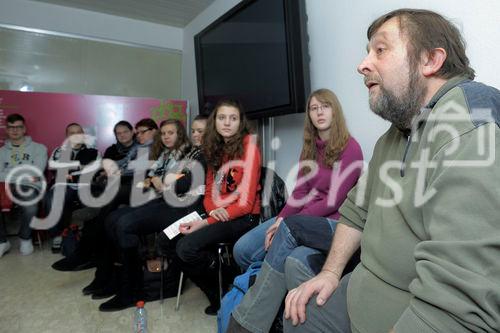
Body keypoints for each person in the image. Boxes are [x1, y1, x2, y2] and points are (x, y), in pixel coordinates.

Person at [282, 9, 500, 333]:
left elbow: (460, 304)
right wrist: (330, 273)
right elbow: (356, 211)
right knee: (298, 314)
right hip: (358, 292)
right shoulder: (396, 134)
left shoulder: (469, 127)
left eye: (380, 50)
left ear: (430, 60)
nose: (362, 64)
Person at [228, 89, 363, 333]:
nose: (319, 112)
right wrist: (280, 219)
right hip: (299, 218)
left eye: (325, 106)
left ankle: (265, 314)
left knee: (287, 250)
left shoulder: (351, 148)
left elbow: (333, 201)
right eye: (313, 108)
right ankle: (268, 295)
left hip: (327, 222)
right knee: (243, 249)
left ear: (335, 111)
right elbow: (300, 192)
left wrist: (290, 224)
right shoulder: (310, 148)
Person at [97, 119, 207, 312]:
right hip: (168, 200)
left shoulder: (201, 154)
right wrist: (163, 181)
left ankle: (132, 291)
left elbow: (181, 184)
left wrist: (162, 181)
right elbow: (160, 179)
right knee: (112, 219)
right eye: (194, 131)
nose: (196, 135)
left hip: (186, 209)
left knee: (124, 224)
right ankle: (123, 279)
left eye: (200, 131)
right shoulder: (189, 153)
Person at [173, 99, 262, 315]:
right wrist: (212, 211)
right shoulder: (214, 147)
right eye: (222, 118)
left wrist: (207, 220)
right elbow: (210, 188)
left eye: (233, 118)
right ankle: (220, 289)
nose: (227, 123)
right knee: (168, 239)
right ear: (215, 121)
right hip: (217, 212)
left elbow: (246, 204)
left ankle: (226, 283)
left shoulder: (249, 146)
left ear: (241, 122)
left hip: (243, 217)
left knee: (186, 248)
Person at [51, 120, 136, 271]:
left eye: (126, 131)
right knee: (95, 201)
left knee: (98, 206)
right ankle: (90, 255)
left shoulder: (142, 149)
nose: (122, 135)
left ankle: (83, 253)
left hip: (127, 188)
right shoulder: (112, 150)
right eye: (118, 133)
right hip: (105, 185)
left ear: (132, 132)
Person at [44, 123, 99, 252]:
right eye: (71, 133)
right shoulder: (59, 150)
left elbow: (94, 169)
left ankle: (87, 237)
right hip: (62, 185)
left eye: (78, 132)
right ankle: (57, 235)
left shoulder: (94, 151)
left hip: (85, 186)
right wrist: (80, 166)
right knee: (52, 199)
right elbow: (52, 166)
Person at [0, 113, 47, 257]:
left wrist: (10, 174)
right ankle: (2, 241)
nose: (15, 130)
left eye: (18, 127)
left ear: (24, 129)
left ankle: (25, 238)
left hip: (29, 186)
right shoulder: (1, 152)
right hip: (4, 186)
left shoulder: (39, 148)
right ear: (6, 130)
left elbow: (36, 171)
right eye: (11, 127)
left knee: (30, 206)